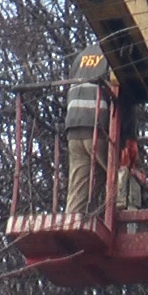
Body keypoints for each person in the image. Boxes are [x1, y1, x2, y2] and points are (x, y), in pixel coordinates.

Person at [62, 42, 111, 216]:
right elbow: (123, 97)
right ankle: (129, 223)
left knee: (78, 190)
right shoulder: (114, 54)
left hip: (73, 129)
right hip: (97, 129)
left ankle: (71, 227)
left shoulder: (81, 57)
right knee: (122, 177)